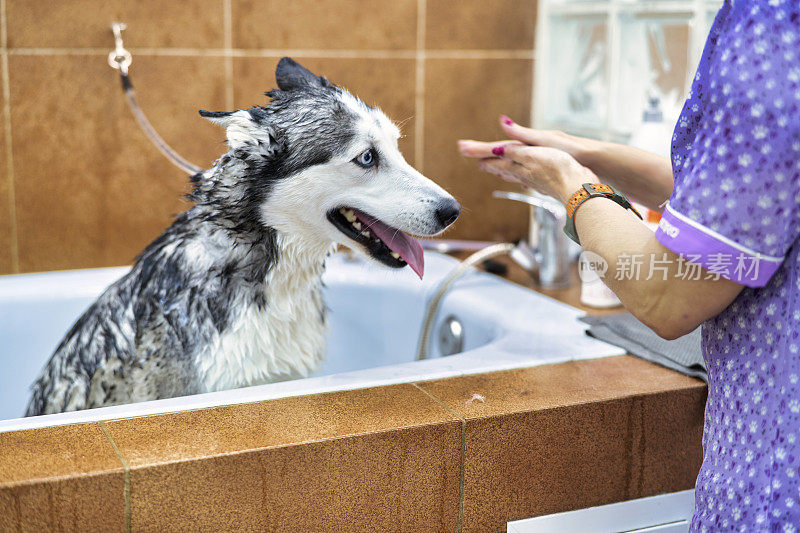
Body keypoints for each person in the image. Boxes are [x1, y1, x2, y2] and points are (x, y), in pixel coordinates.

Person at [459, 0, 800, 529]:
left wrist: (571, 186)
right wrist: (584, 152)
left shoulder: (773, 21)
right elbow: (743, 201)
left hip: (774, 483)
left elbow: (668, 297)